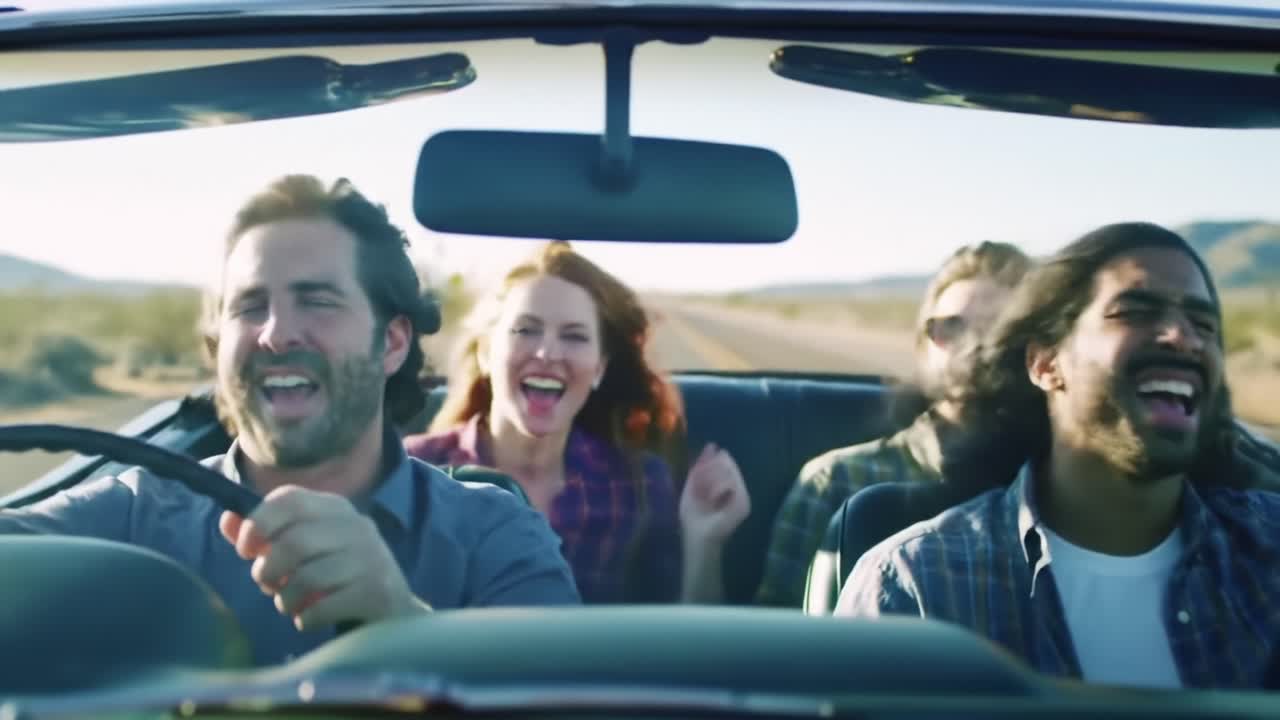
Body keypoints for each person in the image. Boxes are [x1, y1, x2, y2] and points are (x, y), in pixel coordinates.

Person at [0, 175, 581, 665]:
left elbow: (569, 700)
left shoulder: (494, 535)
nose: (276, 334)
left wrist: (403, 623)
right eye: (250, 307)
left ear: (392, 342)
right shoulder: (131, 515)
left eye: (318, 301)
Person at [836, 222, 1280, 690]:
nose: (1182, 337)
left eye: (1204, 325)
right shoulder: (917, 585)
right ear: (1045, 363)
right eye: (1134, 311)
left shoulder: (1268, 556)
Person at [404, 241, 750, 604]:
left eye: (574, 336)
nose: (548, 353)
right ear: (486, 353)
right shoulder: (413, 471)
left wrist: (703, 540)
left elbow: (678, 635)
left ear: (599, 368)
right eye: (526, 330)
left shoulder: (641, 484)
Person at [755, 241, 1032, 607]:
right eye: (951, 328)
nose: (975, 346)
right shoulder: (838, 480)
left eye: (997, 329)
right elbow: (779, 624)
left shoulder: (1061, 487)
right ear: (923, 345)